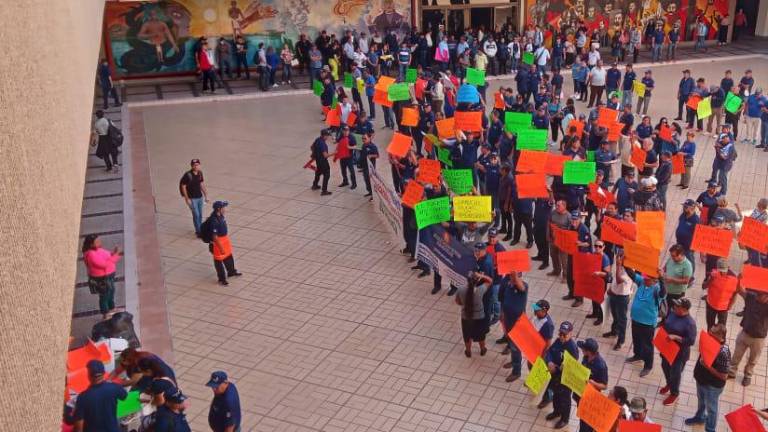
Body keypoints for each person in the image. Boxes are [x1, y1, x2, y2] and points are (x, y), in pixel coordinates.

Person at [686, 323, 731, 432]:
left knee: (712, 409)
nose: (709, 337)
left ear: (721, 338)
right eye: (709, 333)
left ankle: (710, 429)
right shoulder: (708, 341)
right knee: (701, 401)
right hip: (701, 379)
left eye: (713, 335)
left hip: (712, 386)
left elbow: (724, 376)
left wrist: (708, 367)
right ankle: (700, 417)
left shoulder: (723, 352)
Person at [659, 298, 697, 406]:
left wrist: (676, 337)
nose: (674, 307)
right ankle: (669, 383)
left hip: (679, 353)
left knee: (675, 373)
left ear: (684, 309)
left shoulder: (690, 324)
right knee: (664, 366)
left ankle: (674, 393)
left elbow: (691, 341)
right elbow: (666, 324)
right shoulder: (673, 313)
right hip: (667, 348)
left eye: (677, 306)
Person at [625, 269, 663, 377]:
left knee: (647, 345)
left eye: (647, 279)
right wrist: (624, 264)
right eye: (645, 278)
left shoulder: (657, 289)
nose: (645, 281)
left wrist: (661, 278)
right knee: (636, 339)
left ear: (654, 280)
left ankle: (648, 366)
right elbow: (632, 275)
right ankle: (637, 355)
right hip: (636, 318)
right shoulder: (642, 282)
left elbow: (664, 292)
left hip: (647, 323)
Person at [728, 286, 768, 386]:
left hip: (759, 338)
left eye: (761, 295)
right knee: (736, 355)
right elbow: (739, 290)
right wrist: (740, 279)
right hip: (745, 333)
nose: (758, 296)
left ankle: (748, 375)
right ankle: (731, 372)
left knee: (753, 359)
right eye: (757, 293)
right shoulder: (751, 297)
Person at [73, 360, 127, 432]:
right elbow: (124, 395)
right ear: (104, 373)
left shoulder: (82, 398)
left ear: (89, 375)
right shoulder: (114, 388)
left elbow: (78, 427)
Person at [543, 321, 578, 429]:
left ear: (571, 334)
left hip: (565, 378)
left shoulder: (572, 347)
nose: (562, 337)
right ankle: (556, 411)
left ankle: (564, 418)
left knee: (565, 399)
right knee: (556, 395)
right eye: (560, 334)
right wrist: (549, 362)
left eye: (564, 335)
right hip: (555, 375)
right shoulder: (558, 341)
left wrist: (565, 366)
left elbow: (574, 364)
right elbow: (549, 352)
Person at [82, 234, 122, 320]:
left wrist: (114, 253)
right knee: (104, 295)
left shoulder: (99, 249)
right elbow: (104, 264)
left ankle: (112, 308)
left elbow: (108, 255)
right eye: (97, 241)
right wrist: (116, 255)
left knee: (111, 291)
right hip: (101, 278)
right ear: (91, 245)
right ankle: (105, 313)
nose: (100, 242)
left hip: (109, 275)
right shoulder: (91, 255)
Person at [575, 338, 608, 432]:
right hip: (581, 394)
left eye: (583, 349)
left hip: (591, 399)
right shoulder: (585, 357)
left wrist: (593, 383)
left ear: (589, 351)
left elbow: (604, 385)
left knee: (588, 424)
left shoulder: (601, 366)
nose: (581, 350)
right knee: (582, 419)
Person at [205, 201, 242, 286]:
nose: (225, 209)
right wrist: (221, 248)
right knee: (219, 261)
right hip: (218, 243)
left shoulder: (220, 216)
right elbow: (214, 237)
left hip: (224, 241)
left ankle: (231, 271)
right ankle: (221, 279)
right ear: (219, 209)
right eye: (223, 207)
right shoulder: (214, 220)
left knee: (228, 256)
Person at [456, 273, 492, 357]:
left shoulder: (461, 289)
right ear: (477, 281)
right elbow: (490, 281)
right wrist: (482, 276)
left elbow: (457, 301)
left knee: (467, 334)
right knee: (480, 334)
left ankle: (468, 351)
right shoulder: (481, 289)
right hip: (479, 316)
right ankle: (482, 349)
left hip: (466, 316)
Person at [500, 272, 528, 382]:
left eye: (514, 276)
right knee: (510, 342)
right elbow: (504, 300)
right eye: (510, 276)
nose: (511, 278)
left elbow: (521, 287)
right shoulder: (508, 285)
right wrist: (502, 313)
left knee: (515, 347)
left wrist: (515, 275)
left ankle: (516, 371)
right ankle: (513, 361)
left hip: (518, 323)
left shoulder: (523, 286)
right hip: (508, 319)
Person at [604, 250, 631, 350]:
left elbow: (619, 280)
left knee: (621, 319)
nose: (618, 258)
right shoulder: (619, 265)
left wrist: (618, 265)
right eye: (618, 256)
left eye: (621, 257)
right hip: (614, 294)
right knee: (615, 315)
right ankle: (614, 331)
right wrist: (611, 289)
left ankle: (621, 340)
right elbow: (615, 280)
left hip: (622, 297)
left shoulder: (629, 270)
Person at [705, 259, 738, 328]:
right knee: (710, 326)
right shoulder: (713, 274)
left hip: (724, 307)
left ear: (728, 268)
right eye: (720, 271)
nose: (722, 273)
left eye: (724, 271)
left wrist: (730, 305)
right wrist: (711, 279)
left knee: (721, 329)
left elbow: (735, 293)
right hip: (711, 304)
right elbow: (703, 286)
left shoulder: (734, 279)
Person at [180, 158, 208, 237]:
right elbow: (183, 186)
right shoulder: (188, 175)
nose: (196, 166)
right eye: (194, 165)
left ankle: (200, 229)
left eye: (197, 165)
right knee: (196, 214)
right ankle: (198, 231)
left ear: (199, 165)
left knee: (200, 214)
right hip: (192, 199)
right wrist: (187, 198)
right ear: (191, 166)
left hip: (200, 197)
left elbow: (201, 184)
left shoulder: (200, 173)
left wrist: (206, 195)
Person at [334, 126, 357, 190]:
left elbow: (356, 146)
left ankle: (354, 184)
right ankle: (345, 181)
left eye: (347, 131)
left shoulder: (352, 137)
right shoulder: (342, 135)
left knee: (351, 171)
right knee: (343, 170)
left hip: (349, 157)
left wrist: (349, 147)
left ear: (349, 131)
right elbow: (338, 143)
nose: (345, 132)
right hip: (342, 156)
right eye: (344, 131)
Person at [310, 129, 332, 196]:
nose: (328, 137)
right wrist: (334, 153)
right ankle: (324, 191)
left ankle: (315, 185)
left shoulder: (317, 139)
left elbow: (311, 147)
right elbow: (325, 155)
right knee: (327, 175)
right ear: (324, 135)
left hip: (318, 161)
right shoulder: (323, 144)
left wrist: (315, 154)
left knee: (318, 172)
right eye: (327, 135)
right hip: (323, 162)